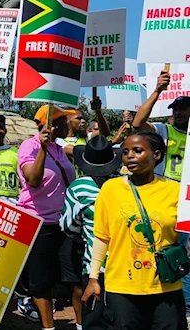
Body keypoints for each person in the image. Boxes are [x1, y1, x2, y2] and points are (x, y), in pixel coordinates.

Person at [82, 132, 186, 329]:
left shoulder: (176, 191)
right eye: (125, 152)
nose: (129, 156)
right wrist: (93, 278)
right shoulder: (110, 189)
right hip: (121, 288)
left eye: (137, 151)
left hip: (166, 286)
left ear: (156, 155)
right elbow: (102, 237)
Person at [17, 105, 76, 330]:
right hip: (38, 224)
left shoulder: (60, 149)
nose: (66, 124)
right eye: (61, 121)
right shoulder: (29, 146)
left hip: (64, 224)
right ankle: (48, 327)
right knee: (41, 282)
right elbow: (33, 179)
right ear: (48, 125)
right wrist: (42, 148)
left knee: (71, 278)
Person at [60, 135, 121, 330]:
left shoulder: (79, 188)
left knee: (97, 319)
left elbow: (68, 225)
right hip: (125, 264)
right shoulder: (125, 184)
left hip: (96, 266)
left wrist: (84, 234)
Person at [133, 71, 188, 182]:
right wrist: (157, 91)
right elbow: (137, 124)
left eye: (183, 109)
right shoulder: (164, 130)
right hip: (164, 186)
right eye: (175, 109)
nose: (178, 112)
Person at [56, 98, 110, 175]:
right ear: (68, 121)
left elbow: (105, 133)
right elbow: (77, 151)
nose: (83, 121)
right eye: (79, 119)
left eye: (83, 118)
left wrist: (98, 112)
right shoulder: (58, 141)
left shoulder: (85, 137)